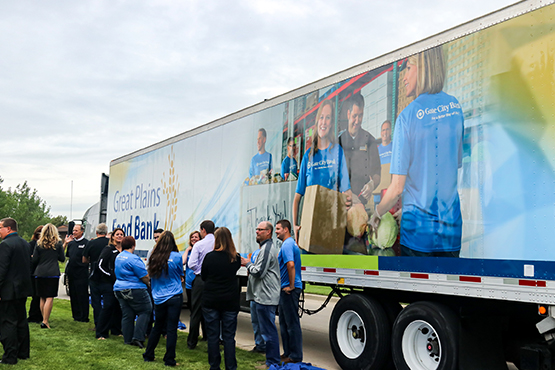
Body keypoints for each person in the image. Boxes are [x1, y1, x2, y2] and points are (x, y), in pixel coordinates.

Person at [370, 46, 464, 257]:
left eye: (409, 68)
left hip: (419, 237)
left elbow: (396, 188)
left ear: (423, 69)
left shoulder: (407, 117)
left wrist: (376, 213)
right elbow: (447, 173)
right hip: (451, 232)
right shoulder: (455, 108)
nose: (404, 76)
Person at [292, 99, 352, 241]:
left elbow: (346, 189)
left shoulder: (337, 152)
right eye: (321, 117)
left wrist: (349, 200)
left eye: (328, 118)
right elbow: (297, 196)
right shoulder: (309, 155)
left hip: (331, 227)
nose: (324, 122)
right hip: (309, 227)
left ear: (331, 124)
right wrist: (294, 225)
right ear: (317, 121)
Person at [241, 221, 281, 369]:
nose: (256, 231)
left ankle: (273, 362)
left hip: (266, 297)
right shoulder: (265, 248)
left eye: (260, 230)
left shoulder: (267, 249)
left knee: (269, 332)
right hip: (262, 296)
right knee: (266, 331)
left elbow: (258, 272)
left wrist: (247, 263)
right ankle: (271, 359)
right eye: (256, 229)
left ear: (268, 232)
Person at [201, 227, 241, 370]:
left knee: (213, 336)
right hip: (230, 301)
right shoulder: (235, 257)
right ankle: (231, 366)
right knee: (229, 337)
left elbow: (204, 276)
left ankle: (214, 366)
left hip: (211, 300)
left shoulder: (210, 257)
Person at [143, 231, 184, 367]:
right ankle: (169, 359)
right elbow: (179, 273)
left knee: (157, 326)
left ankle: (149, 354)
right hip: (174, 295)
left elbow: (150, 274)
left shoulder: (154, 256)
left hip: (158, 296)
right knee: (171, 328)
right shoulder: (177, 257)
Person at [338, 93, 381, 205]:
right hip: (342, 202)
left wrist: (372, 184)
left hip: (362, 204)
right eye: (354, 116)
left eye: (360, 116)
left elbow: (377, 173)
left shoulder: (370, 140)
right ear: (348, 114)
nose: (357, 121)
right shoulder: (339, 142)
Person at [0, 218, 32, 364]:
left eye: (0, 227)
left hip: (8, 290)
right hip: (22, 288)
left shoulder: (5, 245)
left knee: (8, 322)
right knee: (21, 321)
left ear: (8, 229)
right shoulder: (24, 243)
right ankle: (23, 352)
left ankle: (10, 356)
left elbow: (2, 270)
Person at [114, 236, 152, 348]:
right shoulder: (134, 259)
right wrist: (149, 283)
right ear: (133, 246)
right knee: (145, 310)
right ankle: (138, 337)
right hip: (135, 288)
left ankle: (127, 339)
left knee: (127, 314)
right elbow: (144, 276)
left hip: (119, 288)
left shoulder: (119, 257)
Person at [275, 219, 303, 364]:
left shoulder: (287, 245)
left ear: (286, 229)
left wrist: (291, 286)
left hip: (289, 290)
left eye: (278, 229)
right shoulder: (290, 243)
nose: (276, 231)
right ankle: (288, 353)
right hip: (286, 289)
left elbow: (290, 265)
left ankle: (295, 356)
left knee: (291, 324)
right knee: (285, 323)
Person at [186, 220, 215, 349]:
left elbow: (191, 264)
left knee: (196, 311)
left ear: (203, 230)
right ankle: (211, 338)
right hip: (215, 280)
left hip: (201, 279)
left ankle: (192, 341)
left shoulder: (199, 245)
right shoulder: (218, 243)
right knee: (213, 311)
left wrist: (199, 267)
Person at [31, 223, 65, 329]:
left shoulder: (38, 243)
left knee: (42, 297)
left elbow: (34, 260)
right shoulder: (58, 244)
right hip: (52, 273)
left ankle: (43, 319)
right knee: (49, 298)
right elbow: (62, 258)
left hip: (40, 272)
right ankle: (45, 321)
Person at [96, 228, 124, 340]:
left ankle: (116, 330)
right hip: (108, 283)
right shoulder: (108, 249)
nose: (119, 236)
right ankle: (101, 332)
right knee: (108, 306)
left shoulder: (124, 251)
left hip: (121, 284)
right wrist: (110, 275)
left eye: (121, 234)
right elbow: (100, 265)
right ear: (112, 236)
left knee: (118, 307)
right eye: (117, 234)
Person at [82, 223, 109, 329]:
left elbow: (84, 259)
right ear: (106, 232)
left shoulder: (91, 243)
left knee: (96, 301)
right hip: (108, 276)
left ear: (96, 232)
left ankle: (98, 323)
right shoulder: (109, 243)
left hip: (95, 275)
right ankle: (108, 323)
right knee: (108, 302)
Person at [64, 224, 90, 322]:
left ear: (81, 231)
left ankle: (84, 316)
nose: (74, 232)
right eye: (73, 230)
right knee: (73, 295)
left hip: (81, 274)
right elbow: (68, 256)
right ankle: (76, 315)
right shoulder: (71, 244)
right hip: (72, 273)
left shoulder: (86, 243)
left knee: (82, 295)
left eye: (76, 230)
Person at [248, 243, 266, 354]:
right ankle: (259, 344)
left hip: (262, 293)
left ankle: (265, 345)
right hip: (253, 293)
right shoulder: (255, 253)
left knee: (263, 321)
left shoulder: (267, 253)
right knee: (255, 320)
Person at [27, 225, 43, 323]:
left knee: (40, 295)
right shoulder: (32, 244)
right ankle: (34, 315)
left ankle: (39, 314)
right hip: (33, 271)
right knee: (35, 295)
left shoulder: (42, 245)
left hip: (40, 271)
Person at [184, 231, 201, 309]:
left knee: (198, 304)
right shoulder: (189, 251)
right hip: (189, 282)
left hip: (198, 281)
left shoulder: (201, 250)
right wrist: (187, 250)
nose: (194, 239)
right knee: (190, 304)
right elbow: (183, 262)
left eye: (196, 237)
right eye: (192, 237)